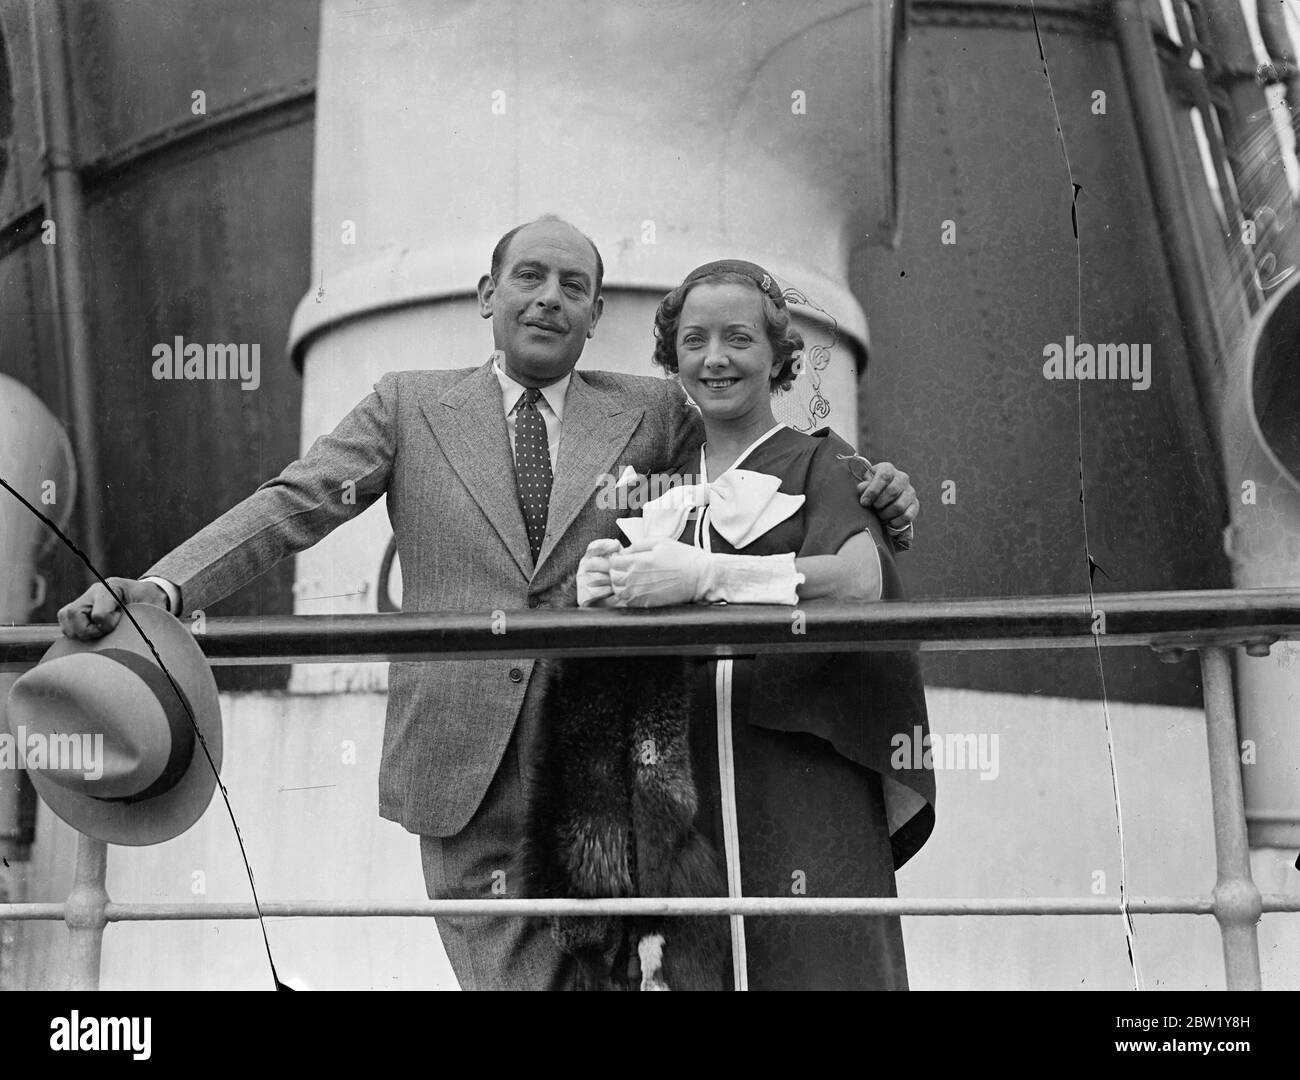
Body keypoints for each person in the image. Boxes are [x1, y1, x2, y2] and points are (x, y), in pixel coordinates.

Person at [55, 218, 920, 991]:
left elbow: (768, 441)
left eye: (574, 287)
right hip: (458, 770)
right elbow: (293, 504)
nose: (550, 299)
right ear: (487, 295)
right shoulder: (408, 406)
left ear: (594, 317)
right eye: (530, 278)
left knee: (620, 977)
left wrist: (871, 485)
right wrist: (166, 587)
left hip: (596, 771)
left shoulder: (655, 411)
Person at [577, 259, 936, 990]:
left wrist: (709, 578)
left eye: (739, 338)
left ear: (778, 355)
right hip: (678, 782)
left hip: (802, 769)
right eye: (695, 340)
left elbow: (861, 584)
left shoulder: (821, 460)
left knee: (821, 965)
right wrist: (601, 585)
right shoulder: (652, 481)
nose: (716, 358)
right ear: (671, 357)